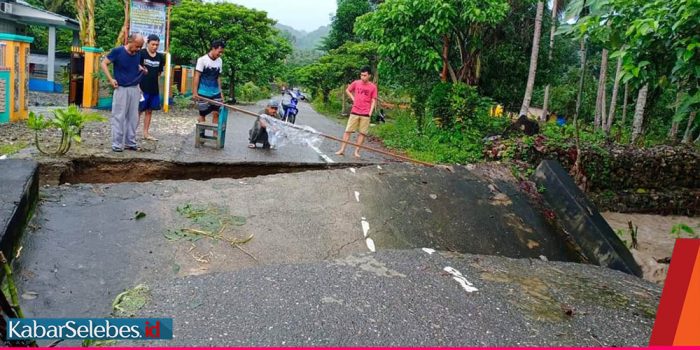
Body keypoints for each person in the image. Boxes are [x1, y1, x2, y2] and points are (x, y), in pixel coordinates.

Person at [101, 33, 147, 152]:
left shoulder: (137, 53)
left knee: (133, 117)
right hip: (121, 88)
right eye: (137, 46)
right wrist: (111, 79)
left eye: (140, 47)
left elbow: (134, 65)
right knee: (119, 116)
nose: (138, 49)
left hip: (135, 87)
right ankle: (117, 143)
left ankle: (130, 142)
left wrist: (140, 69)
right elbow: (104, 63)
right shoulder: (118, 51)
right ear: (130, 41)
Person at [335, 66, 377, 158]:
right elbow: (347, 90)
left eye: (365, 75)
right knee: (348, 131)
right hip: (355, 111)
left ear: (369, 75)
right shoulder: (356, 83)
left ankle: (356, 151)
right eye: (361, 75)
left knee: (362, 133)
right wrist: (353, 98)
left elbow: (374, 100)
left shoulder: (373, 87)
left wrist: (370, 112)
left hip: (365, 113)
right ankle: (342, 150)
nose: (363, 77)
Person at [138, 34, 165, 141]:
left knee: (149, 111)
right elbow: (136, 67)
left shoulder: (160, 57)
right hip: (141, 88)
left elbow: (159, 73)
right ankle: (131, 133)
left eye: (157, 45)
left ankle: (145, 133)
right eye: (153, 44)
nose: (155, 47)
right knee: (138, 110)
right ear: (147, 43)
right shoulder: (141, 54)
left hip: (153, 88)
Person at [192, 40, 225, 127]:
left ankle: (215, 137)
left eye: (222, 52)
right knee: (202, 114)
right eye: (219, 52)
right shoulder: (202, 60)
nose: (220, 54)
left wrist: (221, 93)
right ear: (213, 48)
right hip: (203, 92)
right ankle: (201, 137)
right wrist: (195, 92)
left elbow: (218, 77)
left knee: (216, 113)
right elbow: (197, 76)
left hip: (216, 92)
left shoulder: (220, 61)